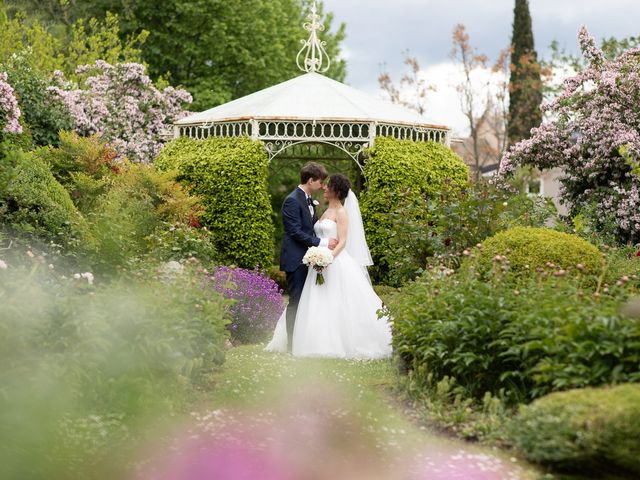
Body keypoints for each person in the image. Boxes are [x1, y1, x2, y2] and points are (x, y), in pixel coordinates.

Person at [266, 173, 392, 359]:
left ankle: (337, 342)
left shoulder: (341, 212)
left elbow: (342, 241)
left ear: (336, 190)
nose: (324, 188)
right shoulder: (325, 211)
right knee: (314, 302)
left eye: (328, 185)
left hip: (334, 263)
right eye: (323, 184)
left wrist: (328, 258)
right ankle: (308, 341)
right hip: (319, 262)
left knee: (336, 302)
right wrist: (319, 256)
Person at [279, 163, 338, 353]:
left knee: (308, 302)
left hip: (310, 259)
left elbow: (309, 227)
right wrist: (322, 243)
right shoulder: (292, 200)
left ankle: (304, 341)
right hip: (296, 259)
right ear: (311, 180)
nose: (323, 186)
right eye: (320, 182)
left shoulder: (309, 199)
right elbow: (295, 232)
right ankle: (291, 345)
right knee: (296, 302)